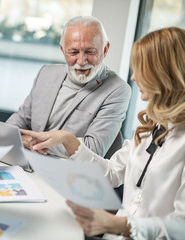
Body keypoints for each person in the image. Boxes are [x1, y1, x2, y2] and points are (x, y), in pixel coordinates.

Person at [20, 27, 185, 239]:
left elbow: (181, 227)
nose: (133, 77)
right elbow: (111, 173)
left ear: (164, 74)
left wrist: (117, 224)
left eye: (141, 69)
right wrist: (68, 141)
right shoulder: (150, 127)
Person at [6, 16, 131, 158]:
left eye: (90, 52)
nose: (82, 61)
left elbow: (93, 149)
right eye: (74, 52)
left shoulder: (118, 90)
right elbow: (21, 119)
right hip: (32, 163)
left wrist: (31, 142)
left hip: (74, 172)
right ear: (63, 50)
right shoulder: (46, 73)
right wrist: (11, 136)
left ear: (105, 49)